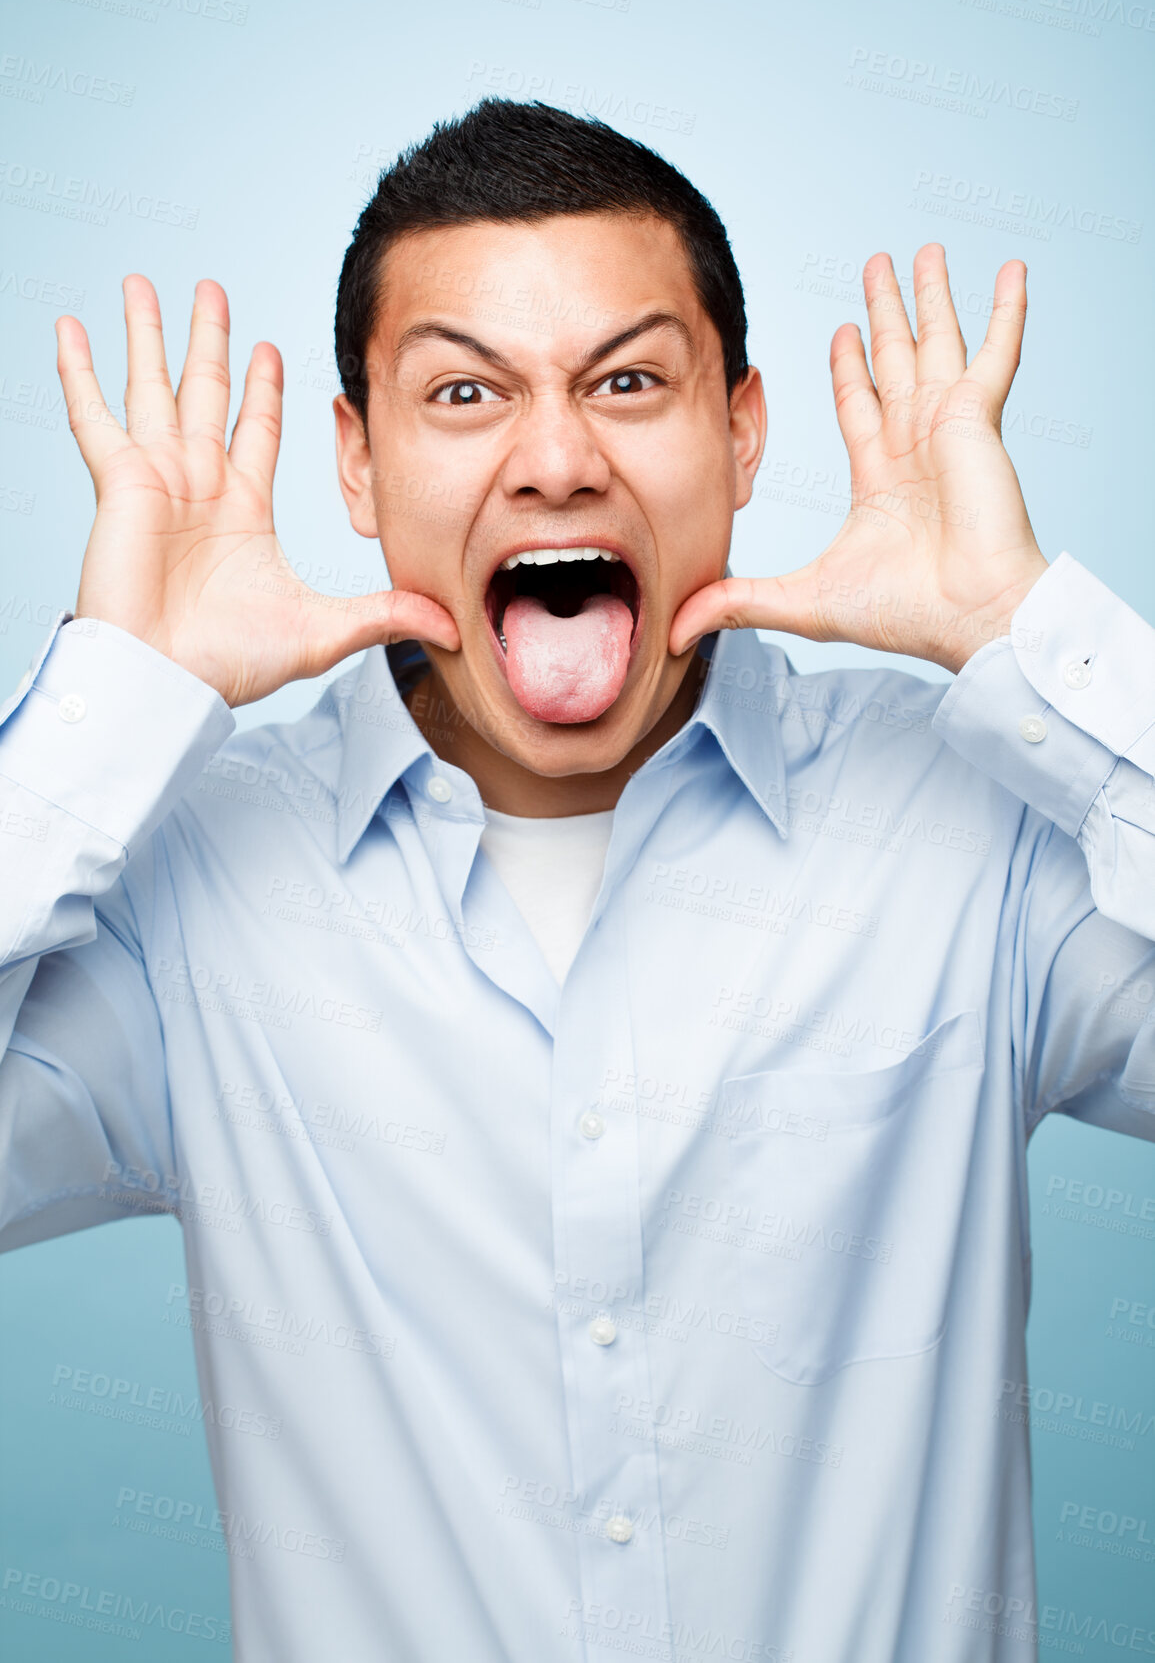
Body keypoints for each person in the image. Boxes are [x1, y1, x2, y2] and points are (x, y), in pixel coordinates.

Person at [1, 98, 1152, 1662]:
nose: (555, 460)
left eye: (628, 381)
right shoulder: (188, 883)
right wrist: (105, 715)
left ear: (742, 433)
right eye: (466, 391)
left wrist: (1044, 653)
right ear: (356, 460)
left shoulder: (974, 823)